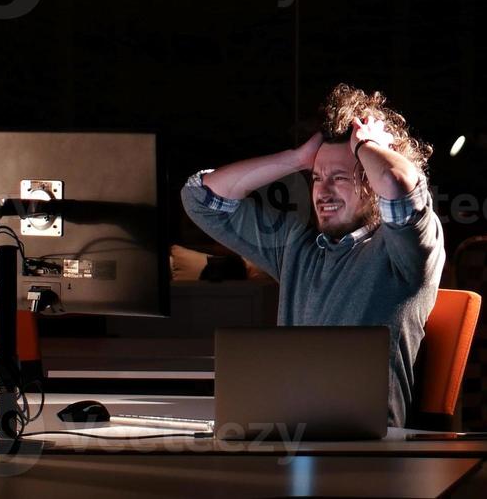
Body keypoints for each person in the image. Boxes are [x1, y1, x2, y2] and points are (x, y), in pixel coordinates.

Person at [181, 84, 442, 428]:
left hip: (371, 452)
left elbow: (397, 186)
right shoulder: (298, 247)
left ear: (372, 180)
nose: (322, 190)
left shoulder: (405, 250)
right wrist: (297, 159)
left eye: (339, 177)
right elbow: (201, 200)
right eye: (317, 178)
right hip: (293, 435)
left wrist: (367, 144)